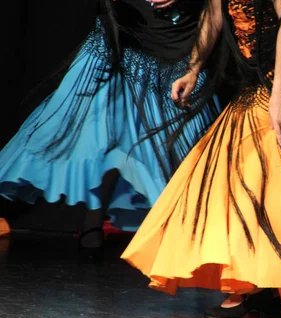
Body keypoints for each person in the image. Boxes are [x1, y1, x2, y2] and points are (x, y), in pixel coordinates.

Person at [121, 0, 281, 318]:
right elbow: (213, 14)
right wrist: (194, 68)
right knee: (241, 161)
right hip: (260, 64)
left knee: (277, 162)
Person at [0, 0, 221, 257]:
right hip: (125, 35)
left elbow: (214, 11)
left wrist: (194, 68)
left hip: (178, 43)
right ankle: (93, 222)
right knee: (106, 132)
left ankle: (183, 227)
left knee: (179, 145)